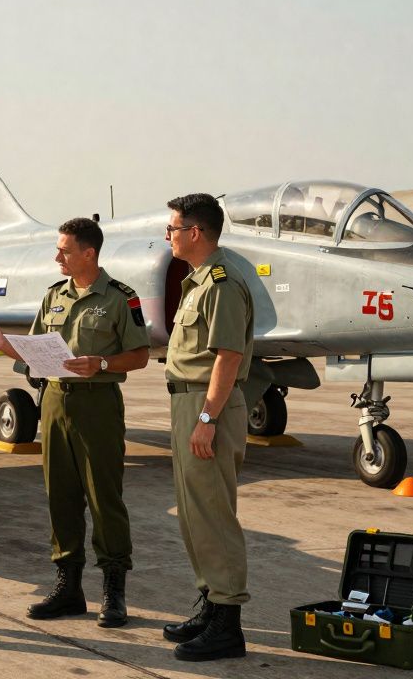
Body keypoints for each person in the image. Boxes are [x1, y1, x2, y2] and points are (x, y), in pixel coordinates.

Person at [0, 217, 150, 629]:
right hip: (53, 402)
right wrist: (4, 346)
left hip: (98, 404)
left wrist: (102, 363)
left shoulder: (121, 299)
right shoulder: (54, 296)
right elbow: (33, 350)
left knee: (104, 499)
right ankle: (68, 588)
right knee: (61, 497)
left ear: (88, 254)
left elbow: (139, 355)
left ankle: (113, 592)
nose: (57, 257)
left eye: (65, 250)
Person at [160, 193, 254, 662]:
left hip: (206, 407)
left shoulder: (220, 283)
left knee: (214, 515)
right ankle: (211, 605)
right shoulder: (197, 282)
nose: (168, 236)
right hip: (189, 403)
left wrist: (206, 420)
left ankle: (227, 626)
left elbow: (228, 357)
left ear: (194, 232)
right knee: (196, 513)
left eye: (173, 228)